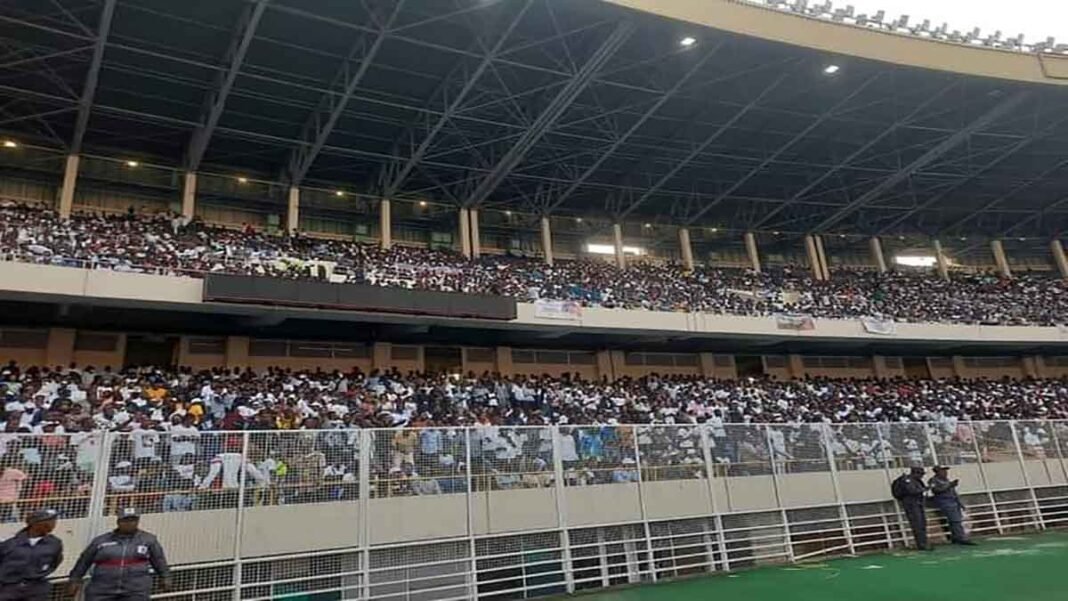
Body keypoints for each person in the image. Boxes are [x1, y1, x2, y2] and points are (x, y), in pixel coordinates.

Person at [67, 508, 171, 601]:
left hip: (135, 590)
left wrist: (165, 576)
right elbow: (84, 561)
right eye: (126, 520)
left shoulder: (148, 540)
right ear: (118, 521)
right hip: (102, 589)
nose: (130, 523)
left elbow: (159, 560)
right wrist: (74, 579)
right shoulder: (101, 541)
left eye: (133, 520)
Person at [0, 509, 63, 601]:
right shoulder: (10, 544)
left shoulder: (55, 543)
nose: (53, 524)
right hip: (9, 589)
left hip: (37, 589)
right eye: (49, 521)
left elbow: (55, 562)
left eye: (54, 521)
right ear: (35, 523)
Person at [928, 466, 976, 546]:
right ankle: (961, 538)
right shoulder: (933, 480)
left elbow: (953, 492)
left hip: (953, 501)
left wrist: (959, 503)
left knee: (956, 521)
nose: (945, 473)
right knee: (955, 520)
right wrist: (949, 485)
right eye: (943, 471)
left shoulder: (946, 480)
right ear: (937, 472)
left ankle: (956, 537)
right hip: (945, 502)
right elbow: (935, 490)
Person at [891, 466, 931, 551]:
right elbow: (912, 491)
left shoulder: (916, 481)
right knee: (917, 524)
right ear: (915, 473)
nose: (922, 476)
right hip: (911, 504)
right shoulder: (907, 480)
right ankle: (921, 544)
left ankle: (924, 542)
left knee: (922, 523)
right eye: (920, 474)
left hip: (918, 503)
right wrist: (923, 489)